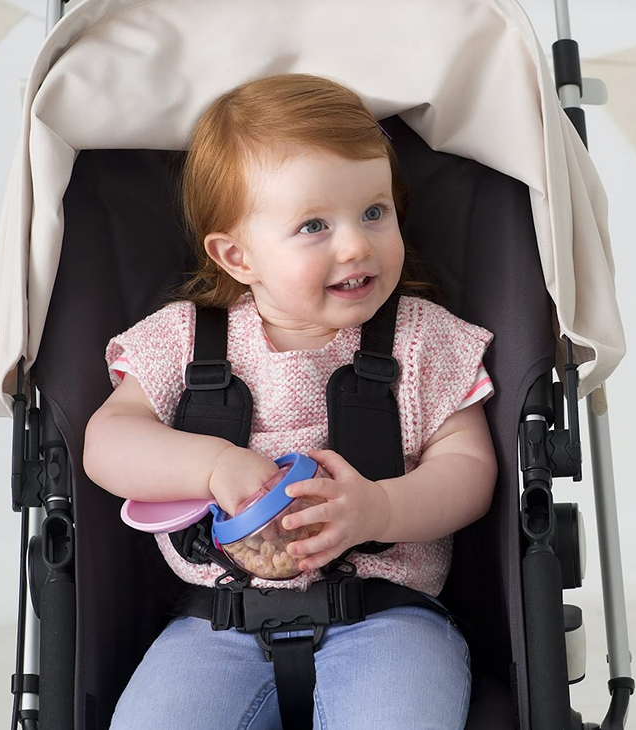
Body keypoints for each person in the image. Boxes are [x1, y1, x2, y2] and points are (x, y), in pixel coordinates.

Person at [83, 73, 498, 730]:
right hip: (215, 626)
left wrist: (381, 507)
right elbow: (107, 442)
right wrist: (211, 464)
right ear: (237, 254)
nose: (357, 244)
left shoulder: (423, 339)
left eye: (374, 212)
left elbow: (470, 470)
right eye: (313, 225)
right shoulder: (184, 341)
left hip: (386, 614)